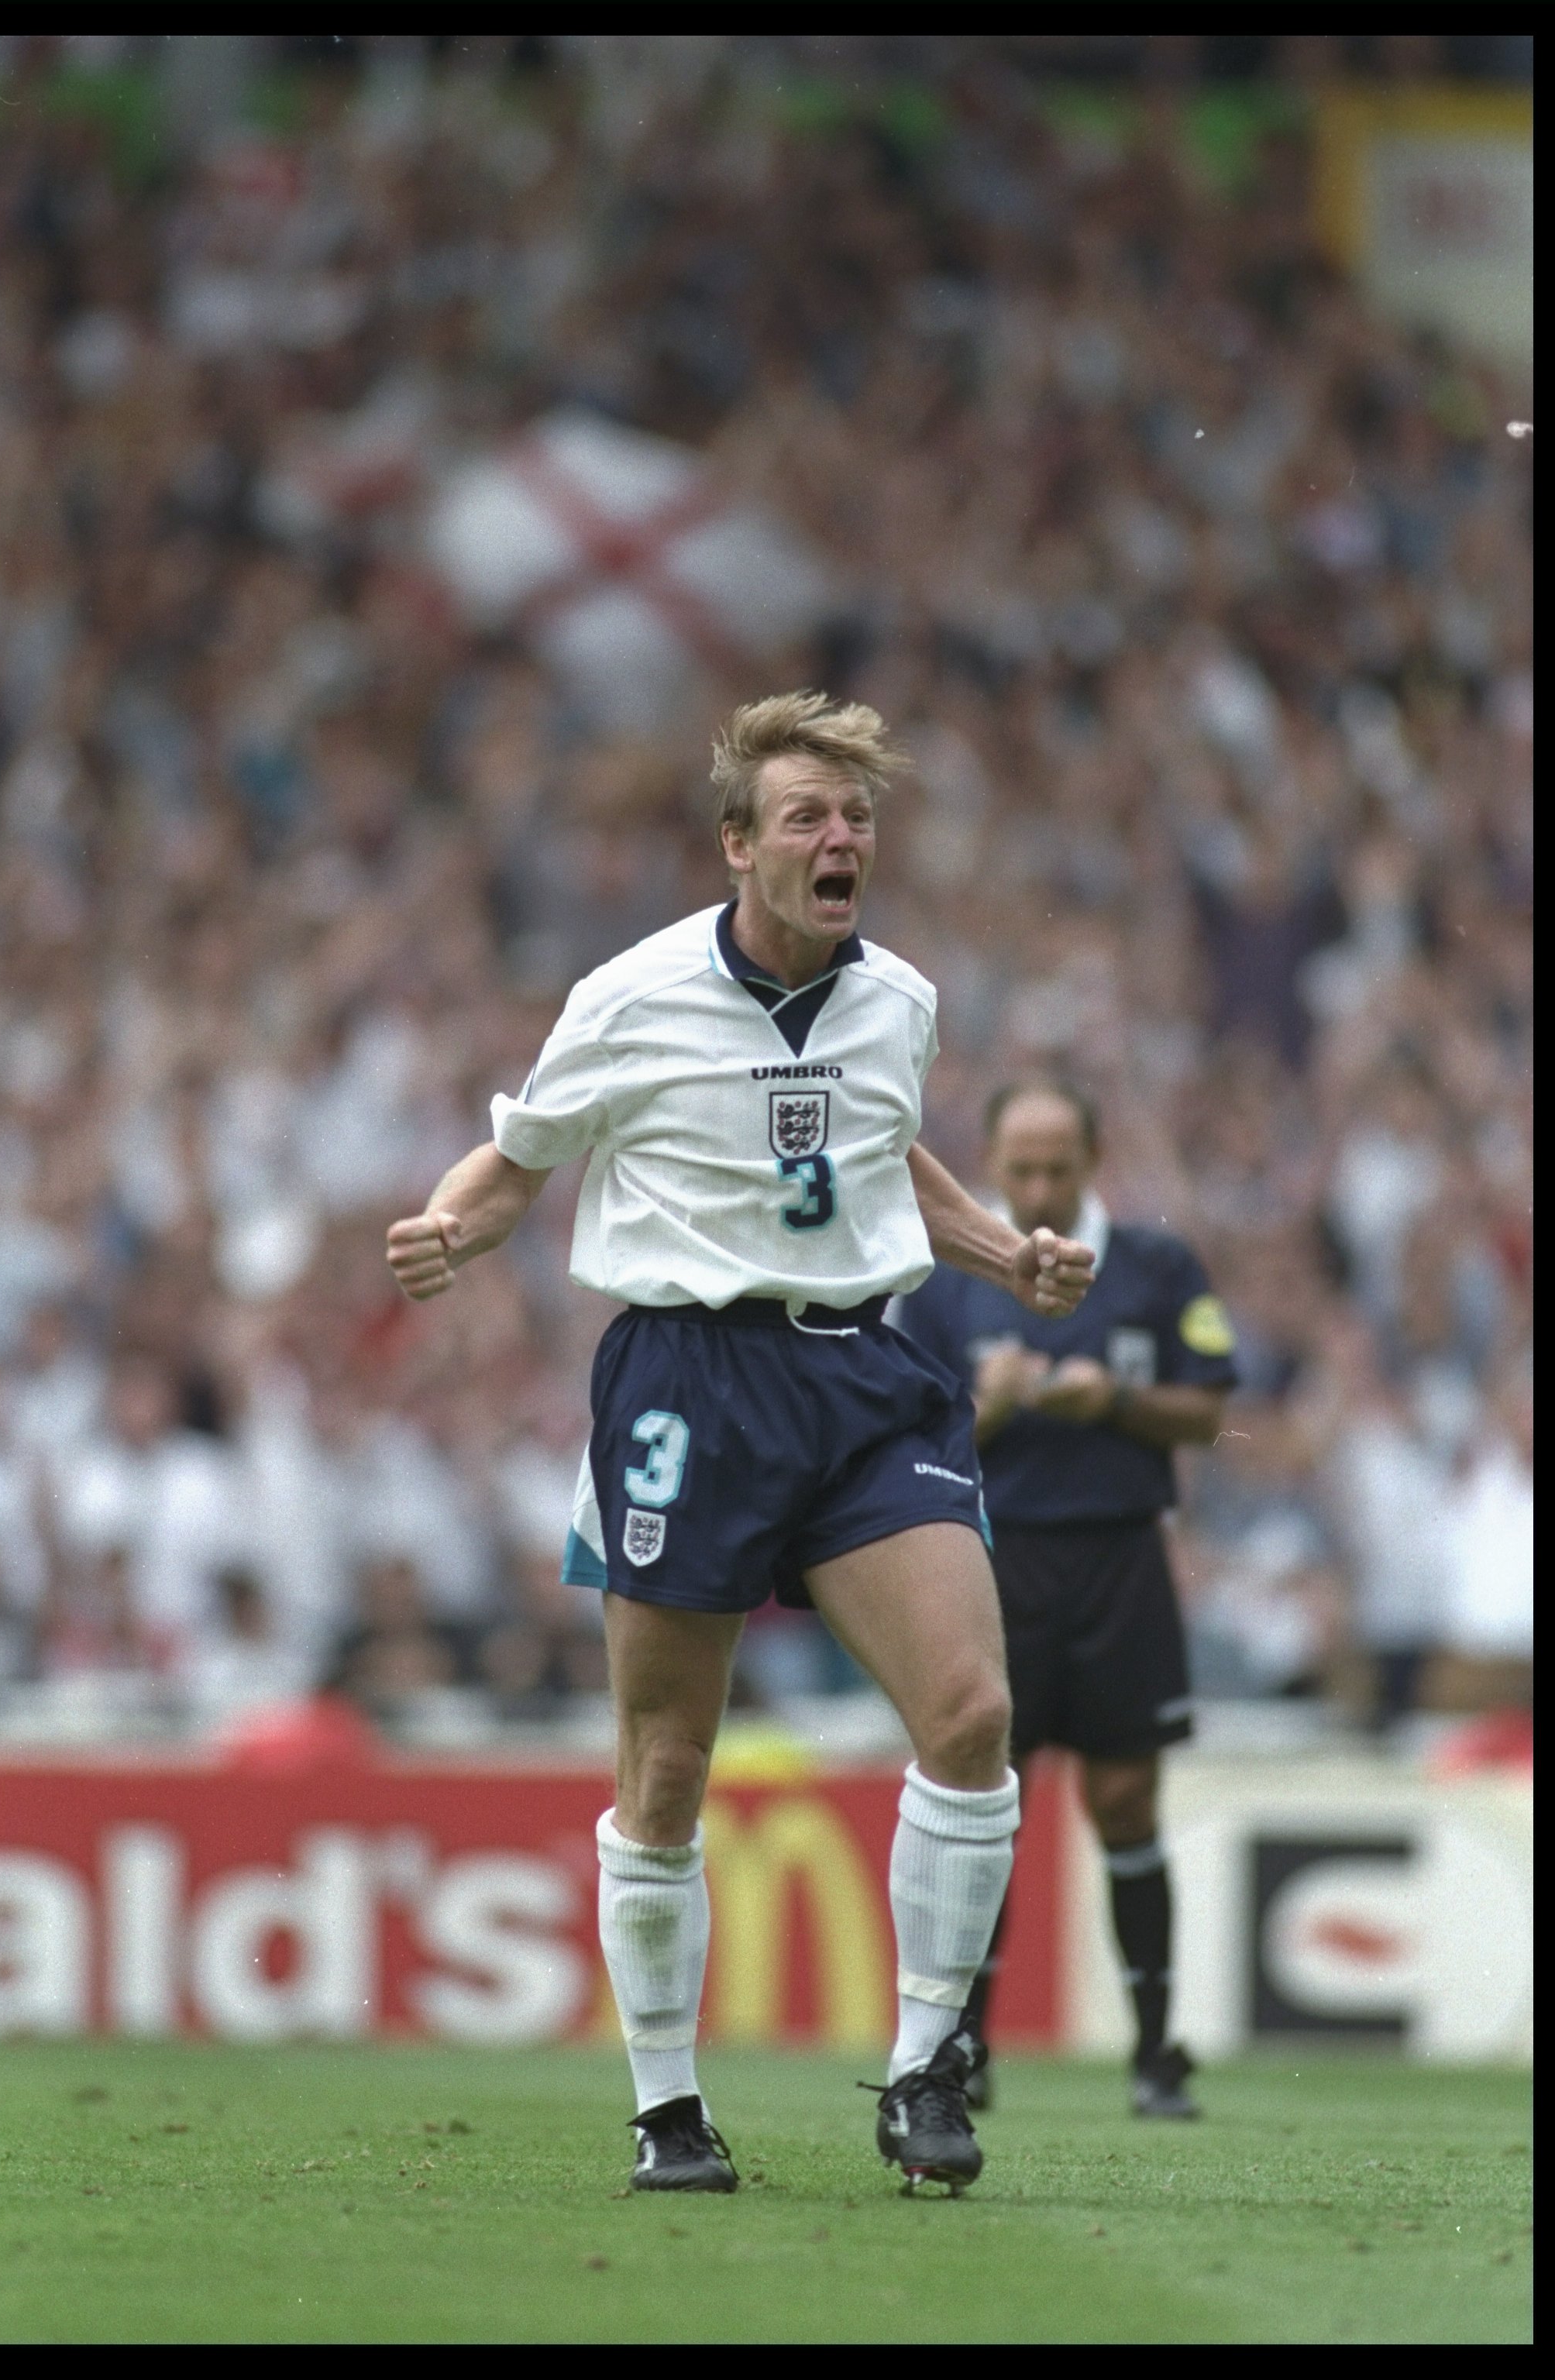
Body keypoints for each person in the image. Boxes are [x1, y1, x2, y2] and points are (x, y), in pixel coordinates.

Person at [387, 693, 1094, 2195]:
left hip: (860, 1372)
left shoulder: (896, 998)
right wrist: (451, 1227)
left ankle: (921, 2071)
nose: (840, 840)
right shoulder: (628, 997)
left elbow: (885, 1148)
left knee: (969, 1712)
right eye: (807, 818)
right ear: (737, 846)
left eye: (857, 819)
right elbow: (520, 1160)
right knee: (666, 1762)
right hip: (685, 1384)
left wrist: (998, 1254)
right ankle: (665, 2107)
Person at [898, 1079, 1237, 2120]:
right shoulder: (944, 1277)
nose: (1040, 1186)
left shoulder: (1155, 1265)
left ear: (1093, 1161)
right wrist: (984, 1412)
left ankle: (1154, 2053)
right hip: (989, 1563)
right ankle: (966, 2047)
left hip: (1121, 1558)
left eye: (1058, 1166)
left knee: (1126, 1802)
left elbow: (1211, 1410)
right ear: (991, 1164)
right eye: (1022, 1167)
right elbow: (908, 1432)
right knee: (983, 1803)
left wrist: (1117, 1401)